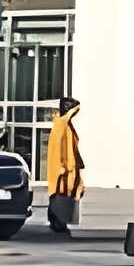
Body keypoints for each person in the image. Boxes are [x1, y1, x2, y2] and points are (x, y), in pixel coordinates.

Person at [43, 96, 86, 237]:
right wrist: (60, 166)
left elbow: (72, 147)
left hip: (69, 168)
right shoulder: (60, 125)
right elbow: (56, 148)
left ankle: (61, 221)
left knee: (67, 195)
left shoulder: (66, 125)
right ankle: (57, 221)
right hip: (63, 169)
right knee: (59, 194)